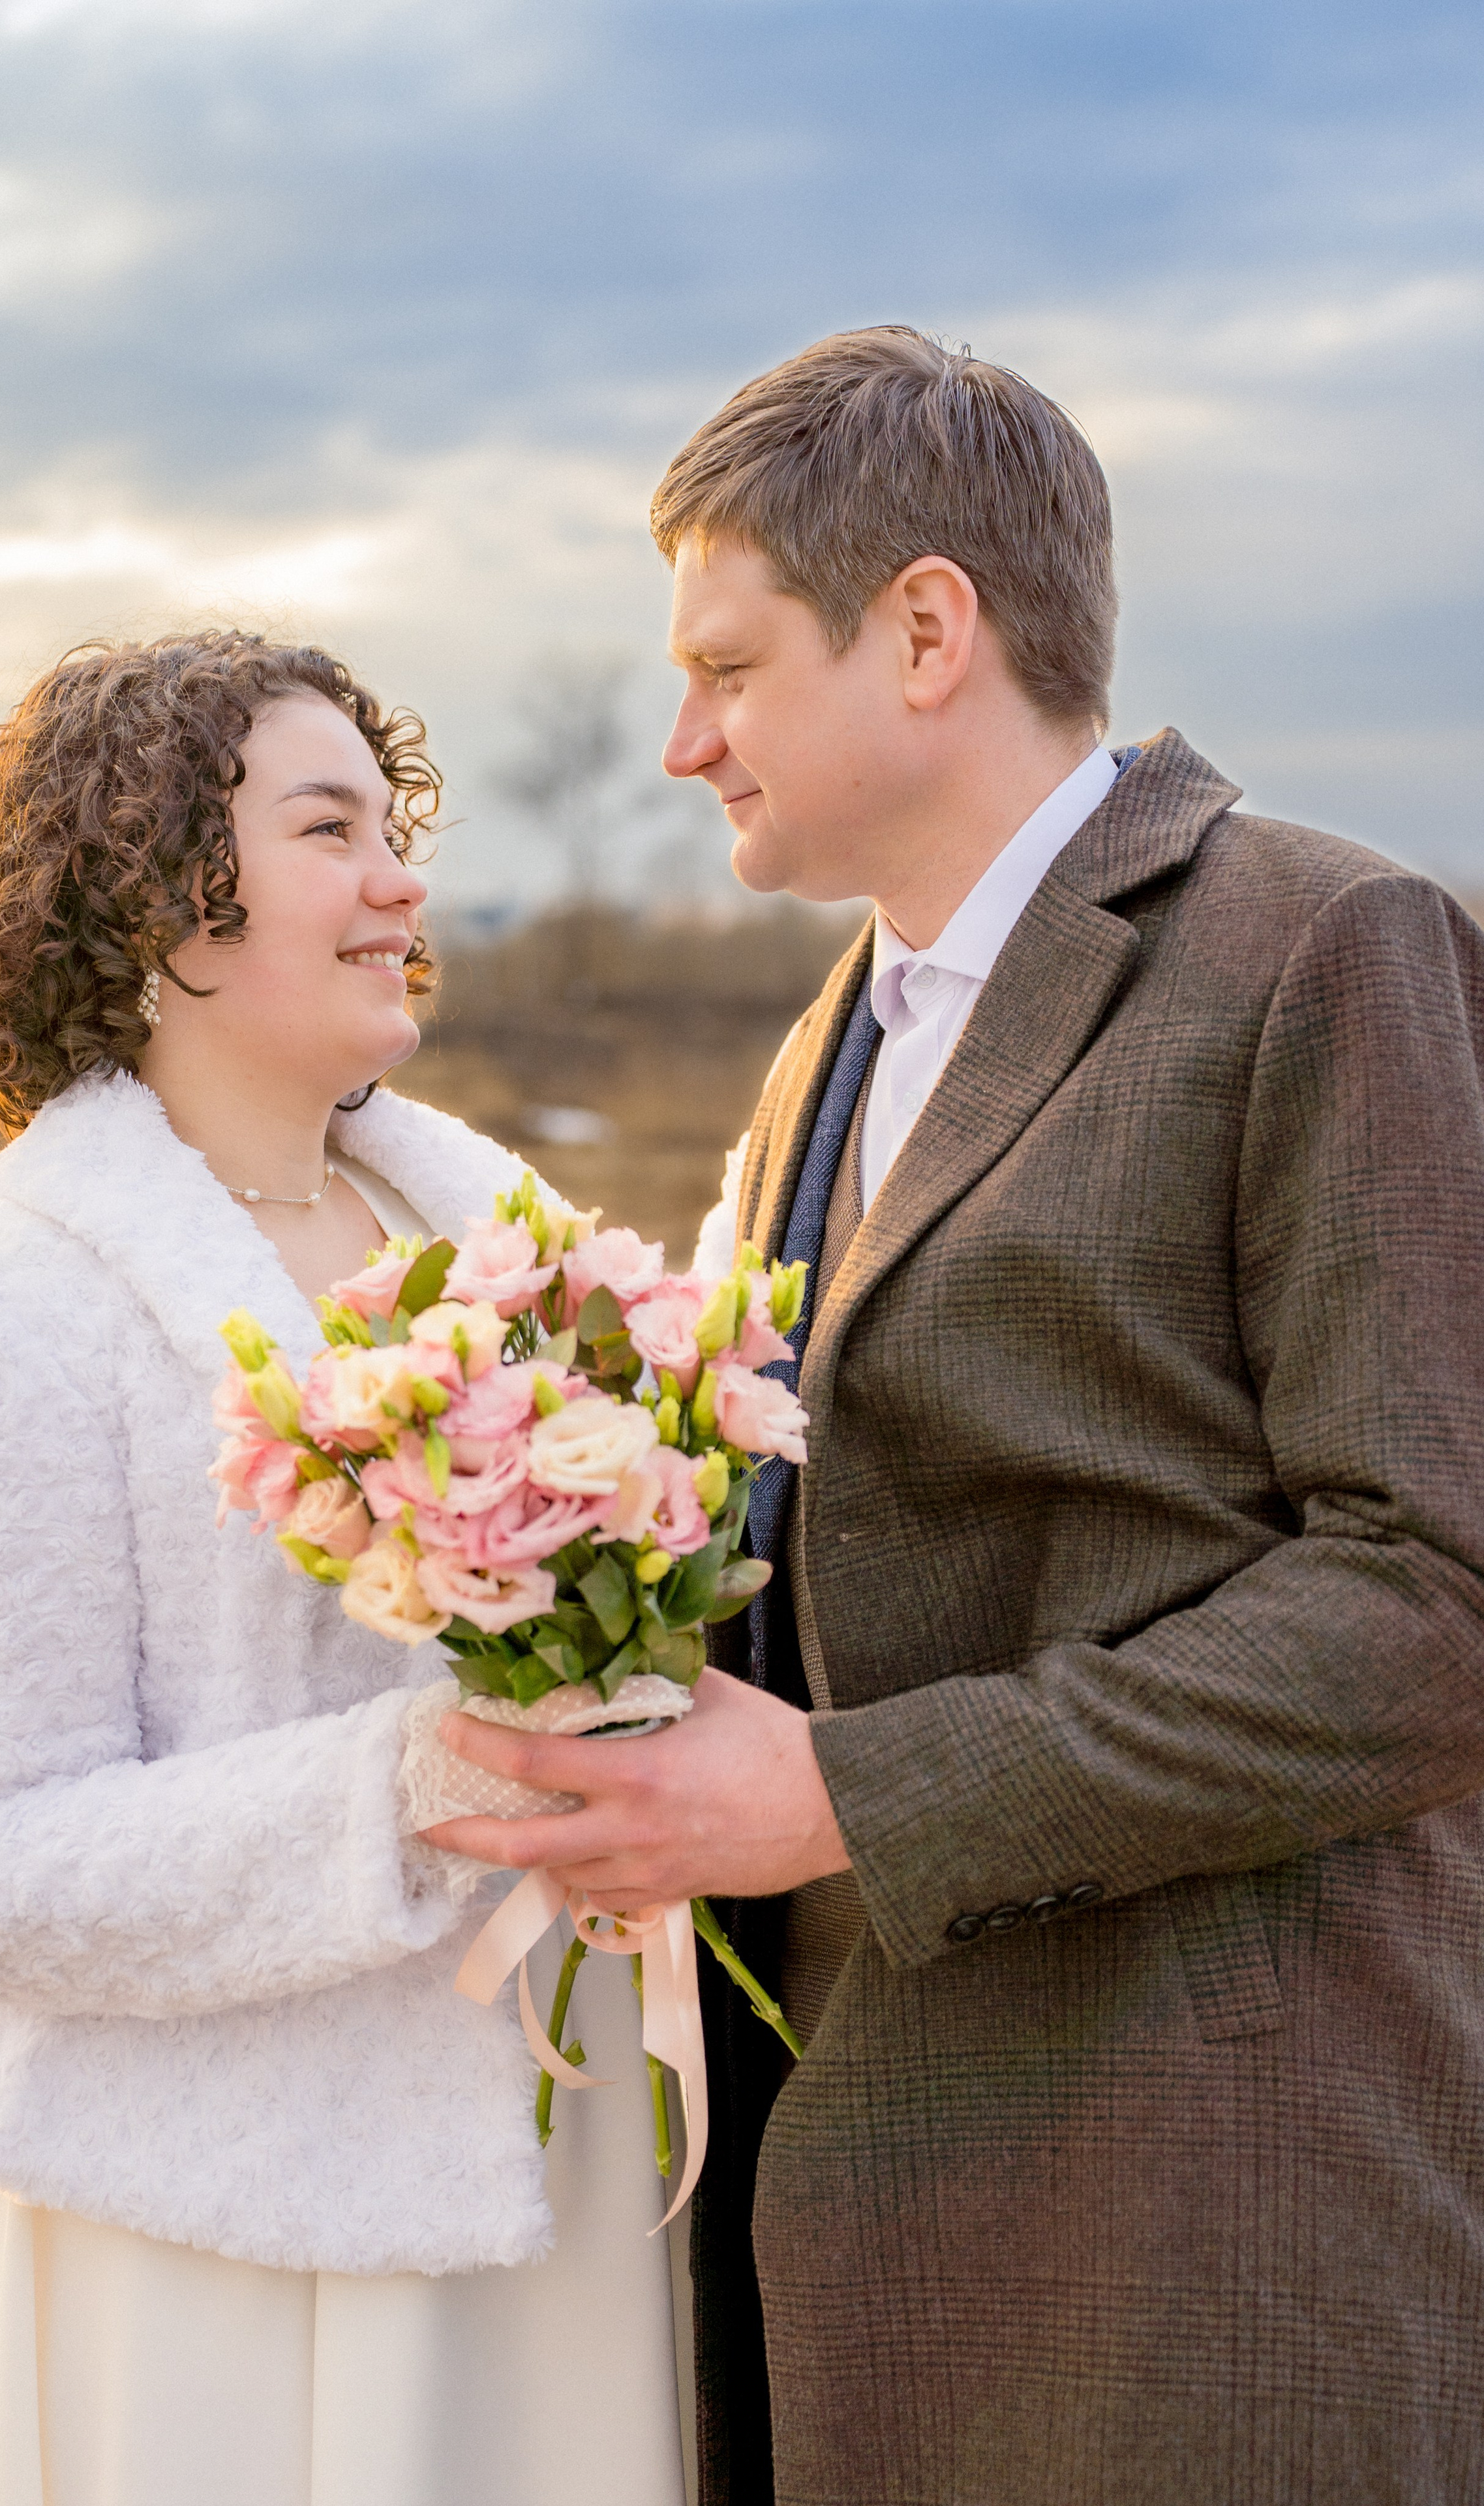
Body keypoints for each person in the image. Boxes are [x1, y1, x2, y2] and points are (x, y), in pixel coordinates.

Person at [423, 328, 1484, 2503]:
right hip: (841, 2235)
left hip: (1204, 2244)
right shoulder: (830, 1035)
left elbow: (1435, 1605)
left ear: (926, 631)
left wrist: (846, 1796)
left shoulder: (1326, 943)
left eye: (727, 667)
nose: (682, 739)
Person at [0, 630, 689, 2506]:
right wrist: (408, 1791)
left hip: (572, 2173)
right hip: (230, 2255)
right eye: (329, 831)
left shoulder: (520, 1258)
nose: (403, 885)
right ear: (160, 902)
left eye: (395, 832)